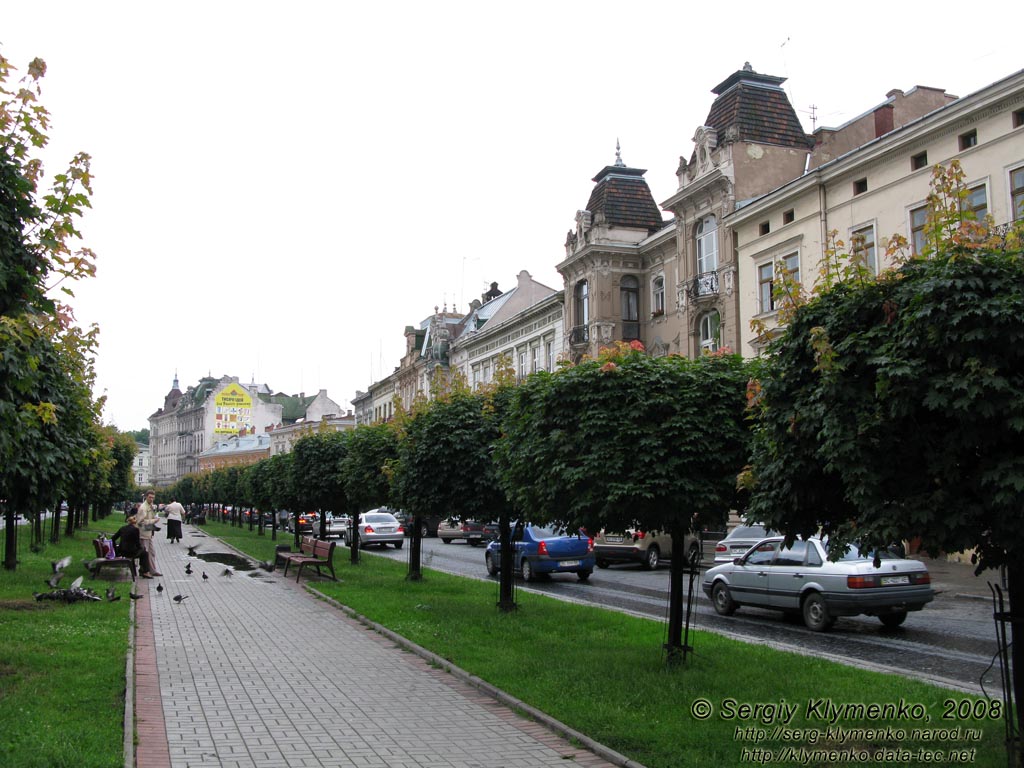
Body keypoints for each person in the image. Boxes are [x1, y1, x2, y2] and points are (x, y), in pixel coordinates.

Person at [136, 491, 163, 576]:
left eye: (153, 497)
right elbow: (140, 522)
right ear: (146, 497)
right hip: (143, 534)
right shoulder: (143, 508)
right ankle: (144, 571)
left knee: (152, 552)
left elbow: (149, 518)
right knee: (145, 553)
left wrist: (154, 518)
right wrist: (153, 520)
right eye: (150, 497)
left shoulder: (149, 506)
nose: (151, 499)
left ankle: (152, 570)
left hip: (148, 533)